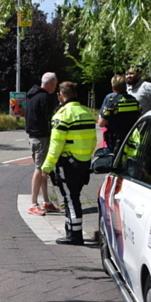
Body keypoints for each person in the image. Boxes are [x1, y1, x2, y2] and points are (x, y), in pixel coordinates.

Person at [41, 82, 97, 245]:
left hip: (68, 164)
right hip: (83, 163)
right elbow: (93, 140)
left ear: (60, 95)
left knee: (70, 199)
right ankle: (71, 230)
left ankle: (75, 235)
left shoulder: (62, 115)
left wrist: (47, 166)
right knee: (74, 196)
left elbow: (55, 145)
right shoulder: (87, 112)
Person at [23, 72, 60, 216]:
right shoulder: (45, 97)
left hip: (33, 136)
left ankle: (47, 201)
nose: (55, 88)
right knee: (39, 169)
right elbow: (50, 118)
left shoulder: (31, 95)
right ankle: (33, 203)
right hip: (42, 137)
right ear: (50, 84)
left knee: (44, 169)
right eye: (55, 85)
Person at [97, 74, 140, 154]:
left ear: (113, 87)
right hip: (131, 138)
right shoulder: (133, 100)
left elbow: (101, 123)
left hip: (115, 139)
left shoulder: (111, 100)